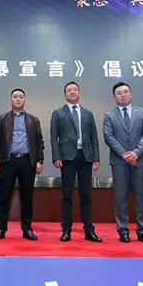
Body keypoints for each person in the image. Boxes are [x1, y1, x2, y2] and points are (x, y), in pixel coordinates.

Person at [49, 81, 102, 242]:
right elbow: (53, 137)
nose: (72, 92)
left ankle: (89, 230)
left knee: (86, 194)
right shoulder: (58, 113)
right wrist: (56, 156)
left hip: (85, 156)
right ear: (65, 94)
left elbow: (94, 137)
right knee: (67, 194)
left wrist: (96, 157)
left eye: (75, 89)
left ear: (79, 92)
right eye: (69, 90)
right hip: (67, 157)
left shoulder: (88, 114)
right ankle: (66, 230)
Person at [103, 82, 143, 243]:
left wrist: (136, 153)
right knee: (120, 196)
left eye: (125, 92)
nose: (123, 95)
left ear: (131, 94)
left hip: (140, 160)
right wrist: (124, 154)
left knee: (140, 196)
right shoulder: (109, 115)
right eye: (119, 93)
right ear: (114, 97)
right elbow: (108, 137)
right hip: (119, 161)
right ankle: (123, 230)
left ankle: (142, 231)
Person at [0, 88, 44, 241]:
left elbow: (39, 142)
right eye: (15, 96)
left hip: (27, 161)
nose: (18, 99)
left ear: (24, 100)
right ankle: (1, 228)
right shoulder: (3, 119)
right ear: (11, 100)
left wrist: (39, 160)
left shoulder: (33, 120)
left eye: (21, 97)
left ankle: (27, 229)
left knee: (27, 197)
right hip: (8, 161)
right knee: (4, 197)